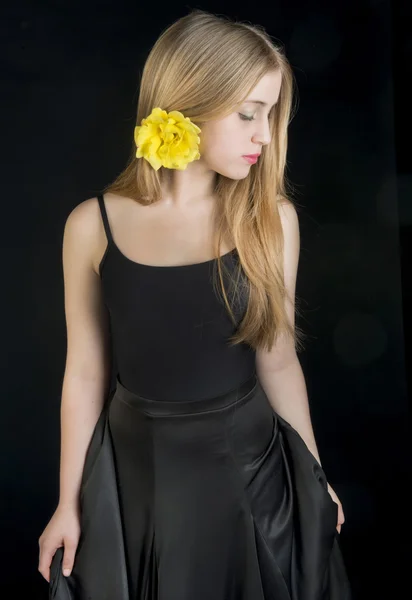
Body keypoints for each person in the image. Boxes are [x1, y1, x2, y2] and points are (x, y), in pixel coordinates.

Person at [38, 8, 352, 600]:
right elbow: (84, 371)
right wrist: (68, 502)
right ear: (187, 103)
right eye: (247, 114)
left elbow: (278, 358)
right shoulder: (92, 224)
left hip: (250, 473)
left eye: (271, 115)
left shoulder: (271, 220)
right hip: (134, 478)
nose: (265, 135)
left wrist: (314, 476)